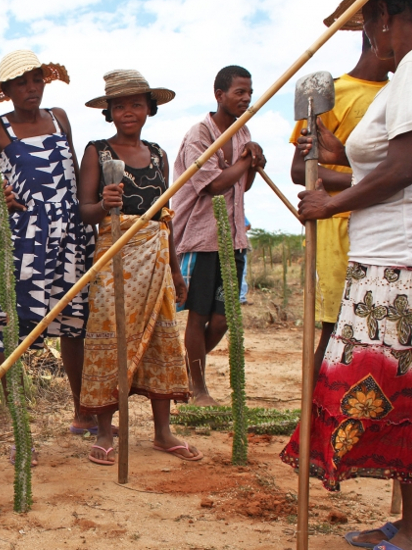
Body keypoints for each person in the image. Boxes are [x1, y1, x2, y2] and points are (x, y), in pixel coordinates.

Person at [281, 1, 412, 549]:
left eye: (365, 24)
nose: (367, 39)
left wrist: (326, 206)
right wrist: (343, 162)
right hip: (408, 258)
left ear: (383, 14)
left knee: (399, 397)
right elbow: (396, 164)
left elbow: (406, 170)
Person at [78, 70, 200, 464]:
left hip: (156, 257)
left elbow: (166, 216)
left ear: (149, 108)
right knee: (109, 337)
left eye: (135, 104)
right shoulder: (97, 151)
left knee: (161, 339)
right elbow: (84, 212)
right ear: (109, 112)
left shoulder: (159, 154)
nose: (127, 112)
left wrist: (177, 271)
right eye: (118, 106)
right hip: (114, 255)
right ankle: (103, 432)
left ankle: (163, 433)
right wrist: (105, 204)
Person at [0, 50, 97, 438]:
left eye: (36, 80)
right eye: (21, 82)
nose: (31, 89)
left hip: (71, 235)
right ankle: (18, 432)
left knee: (76, 324)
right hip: (21, 241)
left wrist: (85, 220)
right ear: (6, 90)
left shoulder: (59, 118)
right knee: (12, 330)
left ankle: (82, 414)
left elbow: (74, 175)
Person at [289, 30, 394, 386]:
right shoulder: (331, 93)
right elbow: (299, 171)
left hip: (386, 222)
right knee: (334, 327)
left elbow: (400, 169)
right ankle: (315, 416)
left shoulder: (399, 94)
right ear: (377, 34)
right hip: (337, 223)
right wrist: (359, 182)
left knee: (379, 326)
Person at [171, 65, 266, 406]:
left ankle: (186, 368)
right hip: (201, 235)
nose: (246, 98)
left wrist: (252, 160)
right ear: (219, 95)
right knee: (198, 314)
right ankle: (198, 389)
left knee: (225, 317)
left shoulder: (242, 133)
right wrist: (245, 159)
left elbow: (242, 185)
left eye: (249, 92)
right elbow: (213, 184)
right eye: (240, 92)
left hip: (234, 237)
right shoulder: (200, 134)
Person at [240, 216, 251, 305]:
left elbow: (248, 225)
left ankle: (241, 298)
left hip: (240, 246)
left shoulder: (240, 214)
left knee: (242, 272)